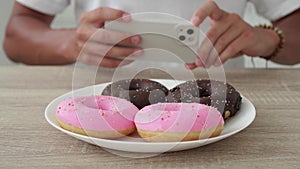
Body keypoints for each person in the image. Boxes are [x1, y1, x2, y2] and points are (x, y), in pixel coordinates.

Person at [3, 0, 300, 69]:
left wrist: (269, 39)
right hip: (100, 111)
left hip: (218, 115)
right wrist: (71, 44)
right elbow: (17, 34)